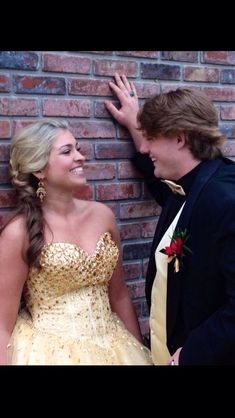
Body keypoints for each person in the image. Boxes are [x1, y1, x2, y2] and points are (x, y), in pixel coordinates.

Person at [105, 73, 235, 365]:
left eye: (151, 138)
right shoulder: (187, 185)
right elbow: (165, 191)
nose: (144, 147)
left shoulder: (226, 201)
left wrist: (192, 354)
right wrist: (134, 124)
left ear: (179, 138)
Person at [0, 118, 153, 365]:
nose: (80, 157)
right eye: (67, 151)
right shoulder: (19, 233)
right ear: (39, 170)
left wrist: (140, 351)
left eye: (77, 148)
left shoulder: (102, 216)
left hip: (115, 348)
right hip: (48, 353)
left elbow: (120, 295)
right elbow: (1, 323)